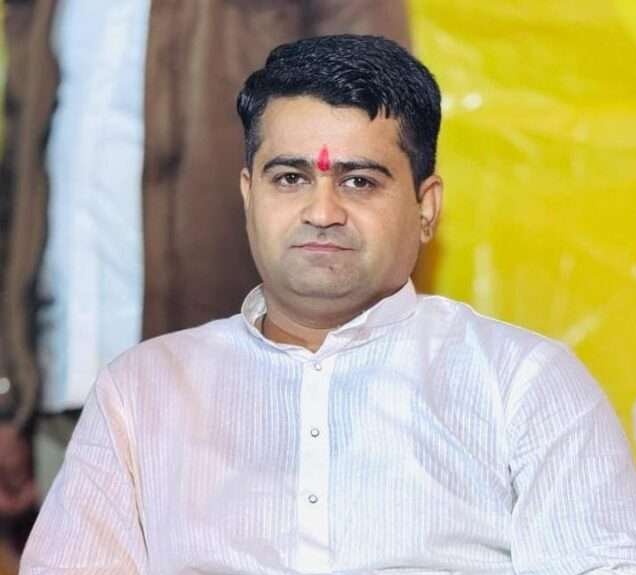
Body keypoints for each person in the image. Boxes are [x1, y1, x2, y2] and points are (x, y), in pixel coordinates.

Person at [6, 34, 636, 575]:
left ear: (426, 206)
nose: (323, 211)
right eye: (290, 177)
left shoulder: (520, 378)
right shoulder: (145, 387)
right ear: (248, 193)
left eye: (359, 180)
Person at [0, 0, 409, 522]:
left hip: (255, 400)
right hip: (64, 399)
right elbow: (19, 180)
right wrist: (9, 389)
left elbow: (379, 143)